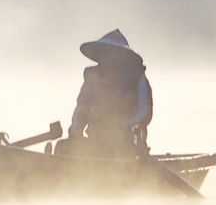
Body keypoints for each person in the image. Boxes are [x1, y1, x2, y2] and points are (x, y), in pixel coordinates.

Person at [63, 29, 154, 158]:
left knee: (121, 151)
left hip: (128, 143)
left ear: (123, 57)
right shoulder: (93, 78)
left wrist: (121, 126)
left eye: (113, 54)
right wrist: (75, 131)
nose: (108, 58)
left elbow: (144, 113)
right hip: (95, 141)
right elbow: (82, 108)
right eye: (104, 54)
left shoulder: (138, 78)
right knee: (63, 147)